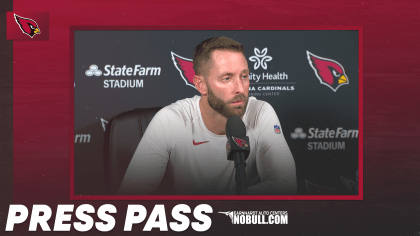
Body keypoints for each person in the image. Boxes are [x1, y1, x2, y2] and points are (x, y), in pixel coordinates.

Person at [118, 36, 297, 195]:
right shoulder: (171, 120)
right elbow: (130, 197)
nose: (240, 89)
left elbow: (286, 186)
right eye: (227, 78)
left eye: (244, 76)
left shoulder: (260, 112)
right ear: (201, 85)